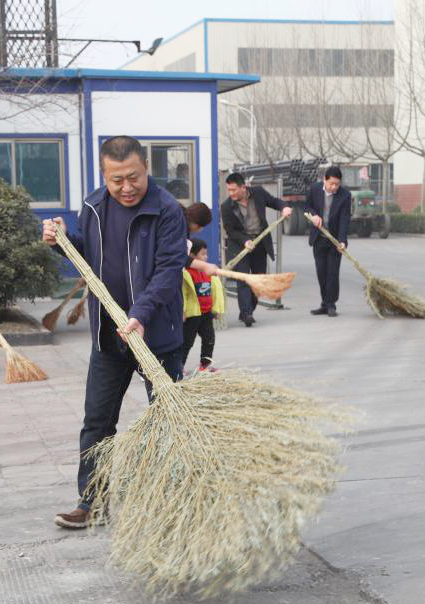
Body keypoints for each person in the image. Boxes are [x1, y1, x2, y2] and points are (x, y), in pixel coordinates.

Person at [42, 135, 187, 530]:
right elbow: (89, 257)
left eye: (133, 177)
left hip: (156, 336)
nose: (126, 187)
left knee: (168, 422)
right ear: (104, 175)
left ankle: (175, 504)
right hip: (109, 335)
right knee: (97, 422)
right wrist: (61, 242)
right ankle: (91, 502)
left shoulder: (167, 210)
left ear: (146, 169)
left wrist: (140, 314)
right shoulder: (93, 207)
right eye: (117, 180)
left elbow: (169, 269)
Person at [219, 172, 292, 327]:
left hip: (260, 242)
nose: (231, 193)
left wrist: (284, 207)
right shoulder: (226, 207)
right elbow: (230, 231)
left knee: (258, 280)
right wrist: (245, 241)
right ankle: (247, 313)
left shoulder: (258, 193)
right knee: (244, 280)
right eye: (229, 190)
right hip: (240, 245)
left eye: (233, 190)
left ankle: (248, 309)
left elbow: (275, 202)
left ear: (243, 187)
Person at [304, 165, 352, 317]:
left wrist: (342, 241)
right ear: (324, 180)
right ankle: (324, 303)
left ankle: (331, 304)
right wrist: (314, 215)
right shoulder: (315, 189)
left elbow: (345, 219)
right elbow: (307, 207)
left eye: (337, 184)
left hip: (334, 240)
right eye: (332, 183)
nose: (334, 187)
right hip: (319, 238)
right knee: (321, 272)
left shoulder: (345, 195)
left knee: (332, 273)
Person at [182, 238, 224, 373]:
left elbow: (214, 291)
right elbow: (182, 294)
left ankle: (205, 365)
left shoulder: (207, 272)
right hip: (192, 314)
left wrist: (215, 309)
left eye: (206, 253)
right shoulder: (186, 273)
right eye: (203, 254)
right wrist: (182, 311)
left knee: (209, 338)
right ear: (192, 255)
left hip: (206, 313)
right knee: (187, 342)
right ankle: (178, 367)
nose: (206, 257)